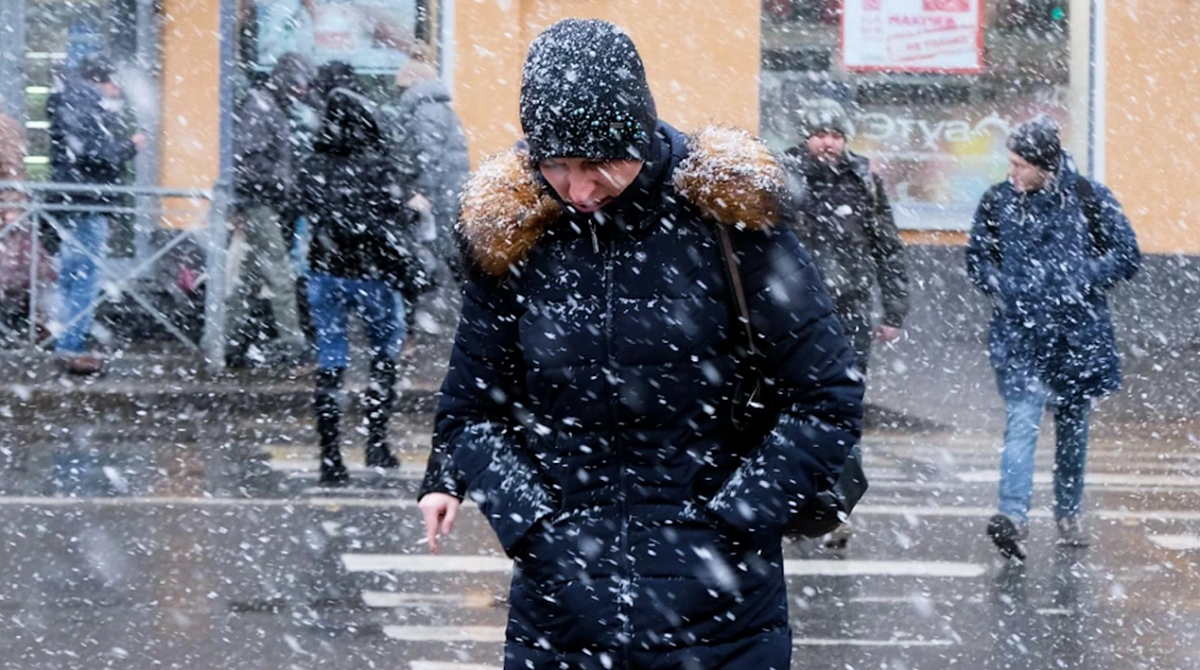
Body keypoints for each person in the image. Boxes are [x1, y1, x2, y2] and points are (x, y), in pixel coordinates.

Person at [417, 19, 863, 670]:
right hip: (561, 617)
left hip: (724, 621)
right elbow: (470, 413)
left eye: (599, 163)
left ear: (641, 134)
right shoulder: (514, 234)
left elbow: (826, 397)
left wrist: (731, 525)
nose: (578, 189)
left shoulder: (729, 222)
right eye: (557, 166)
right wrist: (539, 530)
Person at [966, 116, 1140, 560]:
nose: (1012, 173)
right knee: (1021, 424)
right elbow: (977, 257)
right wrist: (997, 281)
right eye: (1010, 163)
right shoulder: (997, 201)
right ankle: (1013, 517)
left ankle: (1068, 511)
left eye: (1020, 165)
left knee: (1072, 430)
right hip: (1020, 333)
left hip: (1075, 335)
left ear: (1046, 165)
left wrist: (1082, 277)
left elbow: (1127, 254)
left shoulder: (1088, 198)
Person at [298, 88, 415, 484]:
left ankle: (330, 457)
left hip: (325, 273)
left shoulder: (313, 163)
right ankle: (376, 443)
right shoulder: (380, 165)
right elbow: (394, 216)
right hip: (373, 274)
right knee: (384, 356)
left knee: (331, 362)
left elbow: (301, 208)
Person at [780, 98, 909, 374]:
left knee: (848, 387)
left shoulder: (864, 182)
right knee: (795, 387)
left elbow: (887, 248)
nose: (829, 143)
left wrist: (894, 312)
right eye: (820, 134)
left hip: (851, 306)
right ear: (806, 137)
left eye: (836, 135)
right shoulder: (782, 178)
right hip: (794, 306)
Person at [46, 53, 144, 374]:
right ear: (105, 81)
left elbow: (80, 153)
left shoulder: (68, 99)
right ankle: (71, 346)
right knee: (85, 275)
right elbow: (96, 155)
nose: (117, 93)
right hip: (89, 200)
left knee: (71, 275)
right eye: (116, 85)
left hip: (71, 201)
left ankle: (64, 338)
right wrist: (129, 146)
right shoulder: (88, 103)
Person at [228, 52, 312, 367]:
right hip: (259, 204)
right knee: (279, 272)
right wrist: (279, 184)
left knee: (248, 276)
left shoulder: (266, 105)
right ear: (287, 81)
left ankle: (226, 341)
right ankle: (291, 341)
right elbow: (248, 161)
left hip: (258, 203)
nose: (303, 92)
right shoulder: (263, 108)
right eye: (300, 85)